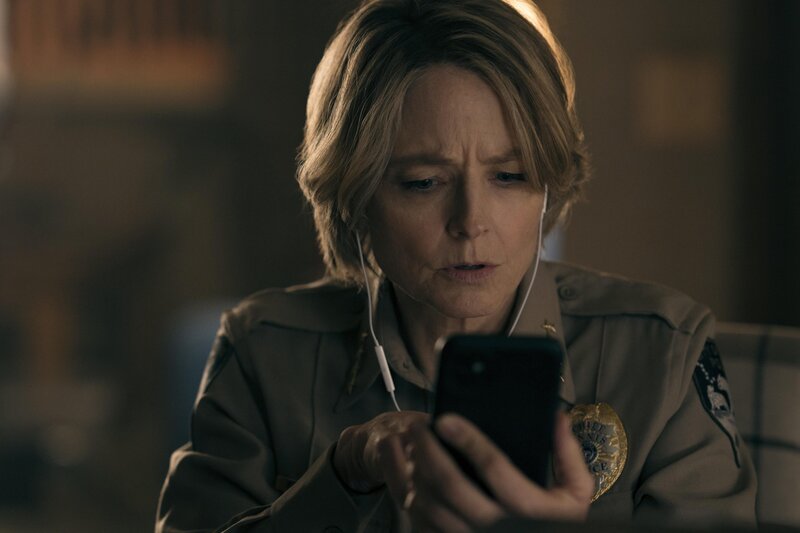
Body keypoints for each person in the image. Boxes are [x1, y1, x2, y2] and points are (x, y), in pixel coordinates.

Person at [156, 1, 757, 531]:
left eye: (509, 176)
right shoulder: (264, 352)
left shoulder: (662, 355)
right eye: (423, 182)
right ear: (354, 197)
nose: (471, 221)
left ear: (548, 187)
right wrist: (341, 477)